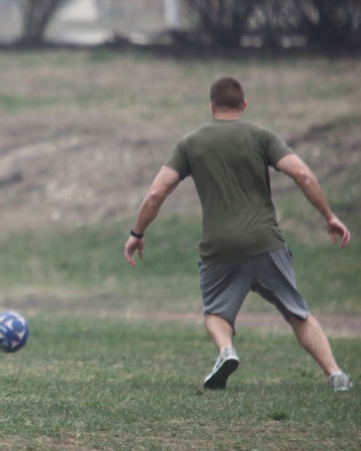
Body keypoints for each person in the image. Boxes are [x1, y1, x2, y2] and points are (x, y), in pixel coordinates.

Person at [125, 77, 352, 392]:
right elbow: (301, 173)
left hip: (220, 249)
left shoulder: (190, 143)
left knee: (216, 312)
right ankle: (336, 375)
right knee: (297, 313)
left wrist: (137, 232)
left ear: (212, 106)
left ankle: (226, 350)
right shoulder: (261, 137)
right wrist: (328, 216)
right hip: (265, 243)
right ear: (243, 105)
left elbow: (155, 194)